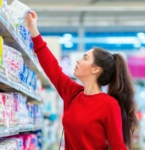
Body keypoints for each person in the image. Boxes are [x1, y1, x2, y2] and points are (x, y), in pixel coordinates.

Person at [26, 11, 137, 150]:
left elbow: (118, 146)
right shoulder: (73, 93)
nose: (78, 60)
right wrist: (33, 30)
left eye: (85, 58)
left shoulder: (109, 105)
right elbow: (52, 67)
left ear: (95, 69)